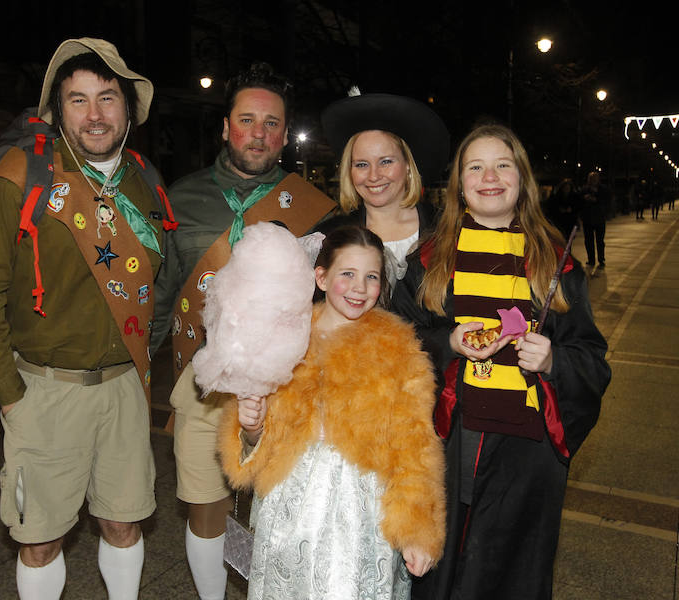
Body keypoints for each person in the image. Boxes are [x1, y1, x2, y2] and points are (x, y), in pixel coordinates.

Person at [0, 38, 164, 599]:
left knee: (125, 523)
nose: (95, 115)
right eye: (78, 100)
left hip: (124, 388)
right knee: (40, 538)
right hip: (44, 391)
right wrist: (10, 392)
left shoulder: (146, 181)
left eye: (107, 98)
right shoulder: (18, 179)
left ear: (128, 109)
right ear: (58, 110)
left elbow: (160, 289)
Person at [391, 124, 611, 600]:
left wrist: (554, 360)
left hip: (524, 458)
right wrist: (447, 341)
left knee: (508, 578)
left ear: (522, 180)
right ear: (459, 183)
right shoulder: (428, 260)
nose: (489, 177)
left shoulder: (555, 263)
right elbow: (393, 345)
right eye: (475, 166)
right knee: (440, 578)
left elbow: (592, 359)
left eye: (502, 165)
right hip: (446, 448)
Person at [150, 62, 336, 600]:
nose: (259, 133)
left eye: (272, 123)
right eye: (247, 119)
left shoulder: (314, 207)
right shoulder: (179, 199)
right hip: (203, 380)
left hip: (286, 382)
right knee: (206, 504)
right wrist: (138, 372)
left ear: (284, 133)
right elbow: (161, 295)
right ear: (225, 127)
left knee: (281, 503)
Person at [219, 225, 446, 599]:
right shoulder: (284, 337)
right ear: (320, 277)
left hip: (361, 510)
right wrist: (251, 427)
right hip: (288, 502)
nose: (359, 287)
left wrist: (417, 529)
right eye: (347, 274)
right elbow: (255, 443)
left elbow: (414, 443)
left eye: (371, 277)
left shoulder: (398, 347)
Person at [318, 93, 449, 286]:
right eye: (362, 164)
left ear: (407, 165)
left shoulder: (447, 230)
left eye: (386, 161)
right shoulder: (328, 238)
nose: (373, 176)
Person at [580, 171, 610, 269]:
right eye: (591, 178)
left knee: (600, 240)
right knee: (588, 241)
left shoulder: (603, 189)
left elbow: (606, 200)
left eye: (595, 178)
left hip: (599, 218)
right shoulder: (584, 189)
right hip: (588, 218)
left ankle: (601, 259)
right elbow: (580, 201)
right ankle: (591, 259)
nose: (593, 180)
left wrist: (596, 200)